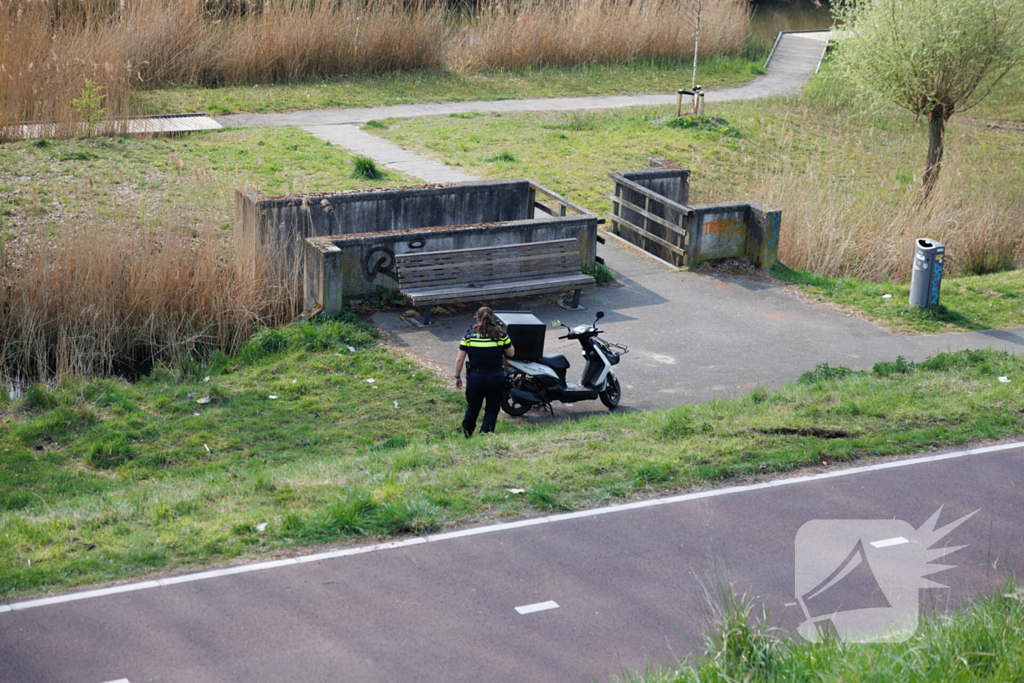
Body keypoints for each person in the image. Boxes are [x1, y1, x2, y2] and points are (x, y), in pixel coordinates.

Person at [454, 307, 515, 437]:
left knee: (472, 407)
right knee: (492, 409)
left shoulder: (468, 336)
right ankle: (485, 435)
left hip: (475, 378)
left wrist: (457, 376)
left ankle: (467, 434)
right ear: (492, 318)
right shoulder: (501, 335)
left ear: (477, 318)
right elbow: (511, 353)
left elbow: (459, 359)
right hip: (495, 377)